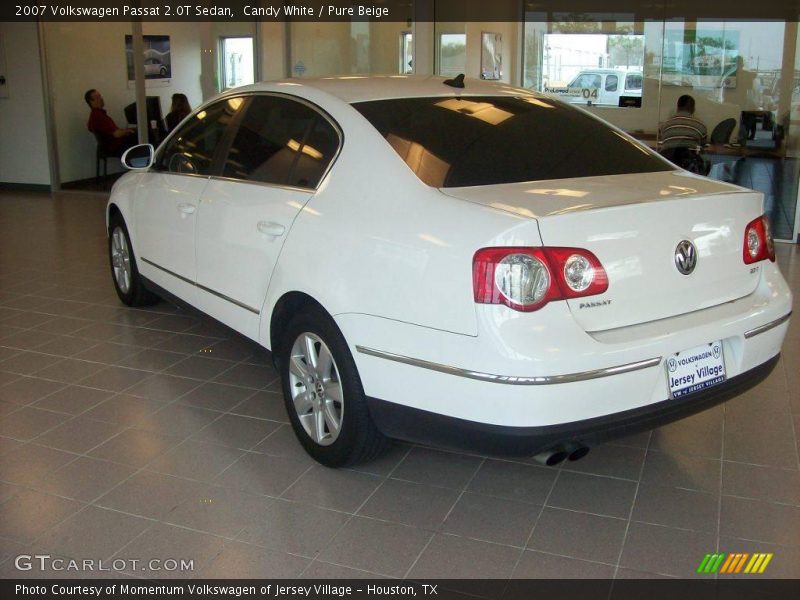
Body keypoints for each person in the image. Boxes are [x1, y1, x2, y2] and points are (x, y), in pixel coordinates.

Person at [658, 94, 709, 174]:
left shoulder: (665, 124)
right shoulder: (700, 125)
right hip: (689, 165)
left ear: (677, 107)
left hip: (667, 164)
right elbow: (702, 145)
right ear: (692, 108)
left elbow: (664, 140)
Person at [85, 89, 137, 155]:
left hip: (112, 146)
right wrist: (128, 131)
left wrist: (126, 131)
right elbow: (116, 134)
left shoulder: (95, 115)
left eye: (100, 96)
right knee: (143, 137)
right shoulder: (98, 116)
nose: (101, 98)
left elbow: (90, 127)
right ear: (91, 102)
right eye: (98, 97)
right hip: (116, 147)